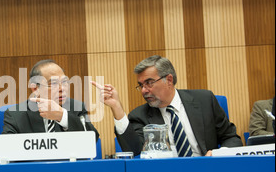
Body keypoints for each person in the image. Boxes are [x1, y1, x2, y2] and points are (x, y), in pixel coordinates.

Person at [92, 55, 242, 157]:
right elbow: (134, 150)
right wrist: (116, 107)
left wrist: (219, 154)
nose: (144, 90)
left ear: (169, 80)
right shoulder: (140, 116)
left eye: (149, 83)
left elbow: (231, 138)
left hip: (209, 171)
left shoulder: (204, 100)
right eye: (140, 85)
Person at [2, 59, 99, 143]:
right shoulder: (15, 115)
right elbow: (7, 149)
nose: (62, 88)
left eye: (64, 82)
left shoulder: (77, 107)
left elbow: (92, 140)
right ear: (35, 89)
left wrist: (62, 116)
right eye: (53, 83)